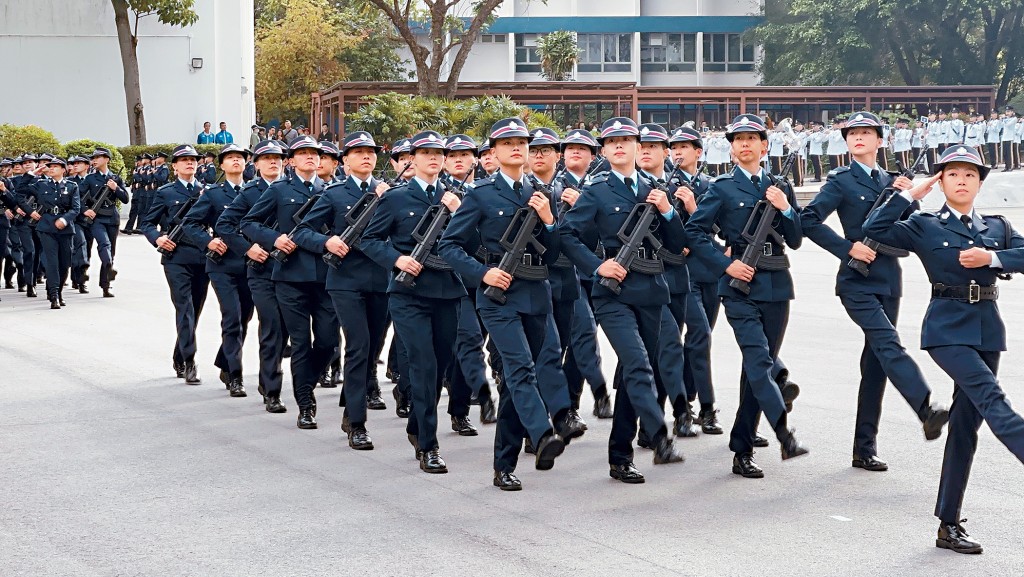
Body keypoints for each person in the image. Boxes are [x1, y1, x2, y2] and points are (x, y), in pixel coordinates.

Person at [862, 145, 1024, 555]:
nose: (962, 180)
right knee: (991, 396)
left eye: (970, 174)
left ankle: (948, 524)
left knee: (967, 425)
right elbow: (874, 228)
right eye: (953, 174)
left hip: (988, 329)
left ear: (980, 182)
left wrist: (993, 257)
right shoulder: (924, 223)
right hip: (946, 329)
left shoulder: (998, 226)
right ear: (942, 181)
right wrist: (909, 195)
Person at [801, 111, 951, 471]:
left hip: (888, 279)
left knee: (876, 364)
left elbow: (911, 227)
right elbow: (809, 220)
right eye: (852, 133)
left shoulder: (892, 181)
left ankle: (864, 448)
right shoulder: (841, 180)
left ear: (879, 141)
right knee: (888, 344)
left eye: (866, 132)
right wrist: (847, 248)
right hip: (856, 280)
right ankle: (925, 408)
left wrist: (909, 196)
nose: (858, 137)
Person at [439, 118, 581, 489]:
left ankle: (504, 464)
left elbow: (553, 254)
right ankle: (542, 433)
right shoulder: (481, 194)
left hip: (536, 293)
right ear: (494, 152)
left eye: (522, 142)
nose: (517, 148)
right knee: (519, 369)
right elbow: (449, 245)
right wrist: (482, 273)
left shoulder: (541, 192)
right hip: (497, 296)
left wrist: (550, 221)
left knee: (518, 382)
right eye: (508, 143)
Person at [559, 117, 687, 484]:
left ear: (637, 146)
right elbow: (567, 235)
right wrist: (597, 265)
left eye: (626, 140)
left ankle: (620, 456)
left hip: (652, 291)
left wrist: (668, 211)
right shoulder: (597, 190)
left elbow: (679, 244)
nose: (619, 145)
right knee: (636, 362)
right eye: (612, 141)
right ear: (603, 150)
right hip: (613, 294)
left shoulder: (654, 189)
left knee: (637, 374)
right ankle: (660, 437)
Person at [684, 114, 809, 478]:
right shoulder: (722, 188)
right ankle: (783, 433)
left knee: (757, 367)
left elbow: (796, 239)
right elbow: (695, 232)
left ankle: (742, 445)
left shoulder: (779, 186)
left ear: (764, 146)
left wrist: (785, 208)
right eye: (738, 139)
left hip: (777, 283)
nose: (744, 144)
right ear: (732, 148)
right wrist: (726, 266)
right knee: (758, 361)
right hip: (740, 286)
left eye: (751, 138)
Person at [360, 130, 467, 474]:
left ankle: (418, 426)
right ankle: (429, 445)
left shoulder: (457, 198)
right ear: (412, 159)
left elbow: (474, 241)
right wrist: (397, 260)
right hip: (409, 294)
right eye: (425, 152)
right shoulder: (396, 198)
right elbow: (370, 239)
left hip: (448, 291)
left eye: (439, 152)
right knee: (423, 364)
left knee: (440, 366)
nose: (433, 158)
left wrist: (459, 212)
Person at [293, 131, 394, 450]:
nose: (366, 156)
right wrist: (327, 241)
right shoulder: (335, 194)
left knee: (372, 348)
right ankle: (357, 421)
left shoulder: (390, 193)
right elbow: (302, 231)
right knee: (358, 346)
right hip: (346, 281)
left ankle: (352, 408)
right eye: (358, 152)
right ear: (345, 160)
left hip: (380, 279)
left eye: (371, 151)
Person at [240, 136, 337, 430]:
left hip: (324, 276)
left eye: (314, 153)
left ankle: (306, 380)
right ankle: (305, 404)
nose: (310, 157)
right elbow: (249, 222)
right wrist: (274, 239)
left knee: (329, 342)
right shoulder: (279, 190)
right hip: (290, 277)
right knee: (300, 342)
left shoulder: (330, 190)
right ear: (291, 161)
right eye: (302, 153)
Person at [216, 140, 289, 414]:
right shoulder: (249, 192)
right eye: (266, 158)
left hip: (291, 270)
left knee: (285, 329)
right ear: (256, 164)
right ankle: (271, 389)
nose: (273, 162)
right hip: (261, 270)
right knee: (271, 325)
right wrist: (247, 248)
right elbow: (225, 224)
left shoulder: (294, 188)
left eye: (277, 157)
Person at [183, 143, 256, 398]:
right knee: (232, 316)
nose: (236, 161)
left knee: (245, 317)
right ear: (222, 165)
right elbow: (190, 223)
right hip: (222, 265)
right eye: (230, 158)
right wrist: (208, 241)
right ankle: (235, 375)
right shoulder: (213, 194)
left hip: (250, 263)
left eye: (240, 157)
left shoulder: (255, 191)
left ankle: (225, 361)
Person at [141, 145, 213, 384]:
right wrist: (158, 238)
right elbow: (147, 222)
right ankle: (190, 361)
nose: (190, 163)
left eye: (193, 160)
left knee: (196, 309)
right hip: (176, 257)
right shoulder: (166, 192)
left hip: (202, 257)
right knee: (185, 308)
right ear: (174, 166)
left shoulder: (207, 191)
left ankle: (180, 353)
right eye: (184, 160)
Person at [668, 125, 723, 435]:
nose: (677, 152)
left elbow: (719, 226)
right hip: (681, 272)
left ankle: (688, 398)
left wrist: (693, 207)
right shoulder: (665, 185)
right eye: (674, 147)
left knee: (700, 339)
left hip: (709, 272)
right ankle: (706, 407)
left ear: (698, 152)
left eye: (684, 147)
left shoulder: (710, 185)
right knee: (698, 333)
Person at [26, 157, 80, 309]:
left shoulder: (72, 186)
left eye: (55, 166)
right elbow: (21, 189)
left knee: (64, 263)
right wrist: (32, 174)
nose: (51, 168)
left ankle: (59, 291)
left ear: (63, 169)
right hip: (47, 227)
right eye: (50, 166)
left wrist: (64, 219)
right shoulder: (41, 184)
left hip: (65, 228)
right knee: (52, 262)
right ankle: (54, 295)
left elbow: (76, 208)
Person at [79, 148, 129, 298]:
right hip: (97, 219)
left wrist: (116, 188)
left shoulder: (115, 178)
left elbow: (125, 198)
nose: (94, 160)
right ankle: (106, 268)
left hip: (112, 218)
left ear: (107, 159)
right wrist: (85, 210)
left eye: (97, 157)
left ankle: (106, 285)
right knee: (104, 245)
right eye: (93, 158)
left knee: (111, 251)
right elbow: (77, 197)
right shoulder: (90, 179)